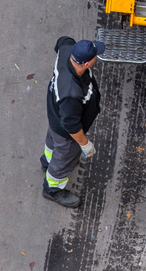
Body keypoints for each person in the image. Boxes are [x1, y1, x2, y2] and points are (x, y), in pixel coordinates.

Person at [41, 37, 105, 207]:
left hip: (55, 116)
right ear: (86, 64)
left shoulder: (66, 51)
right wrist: (84, 144)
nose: (96, 58)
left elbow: (63, 40)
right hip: (66, 133)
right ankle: (52, 189)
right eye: (94, 56)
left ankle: (47, 162)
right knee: (64, 157)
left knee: (52, 143)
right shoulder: (71, 93)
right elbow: (71, 125)